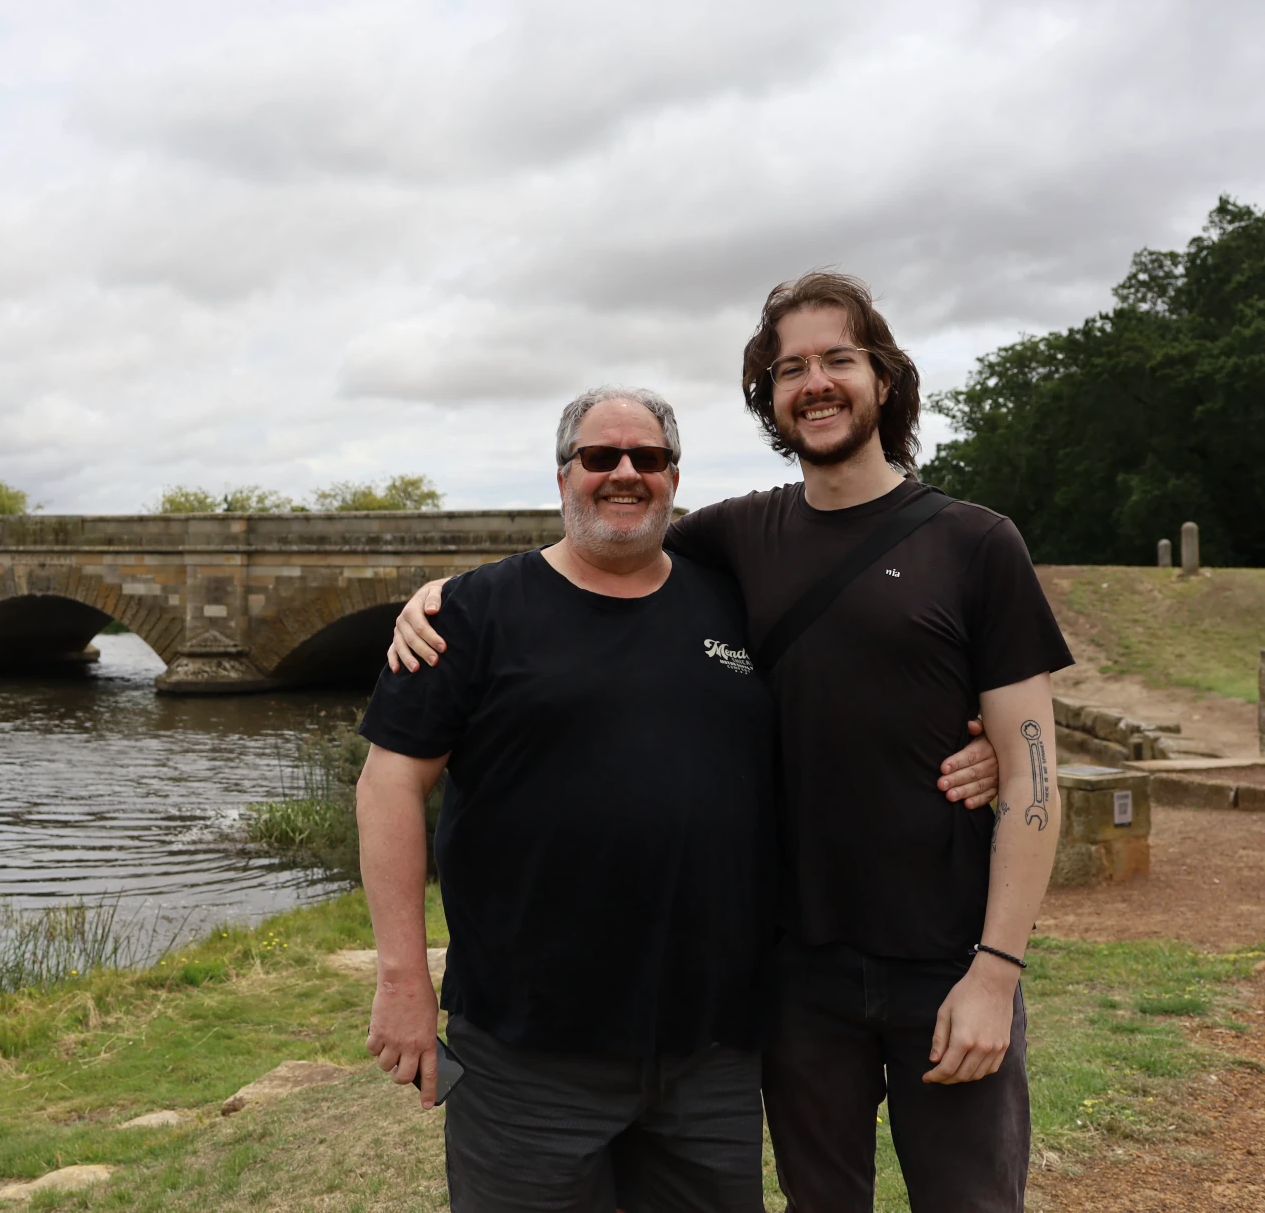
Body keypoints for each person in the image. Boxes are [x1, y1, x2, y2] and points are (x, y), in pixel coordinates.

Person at [388, 272, 1070, 1213]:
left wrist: (998, 968)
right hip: (794, 977)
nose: (814, 381)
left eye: (838, 358)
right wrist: (436, 602)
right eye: (790, 367)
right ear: (768, 395)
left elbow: (1036, 776)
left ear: (885, 376)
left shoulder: (977, 543)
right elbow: (601, 549)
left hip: (945, 957)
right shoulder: (738, 537)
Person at [361, 386, 775, 1212]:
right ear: (563, 477)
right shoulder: (470, 613)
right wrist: (405, 979)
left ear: (673, 477)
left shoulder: (736, 602)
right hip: (529, 1055)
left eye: (647, 459)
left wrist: (976, 730)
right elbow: (389, 787)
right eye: (600, 457)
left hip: (710, 1051)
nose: (624, 474)